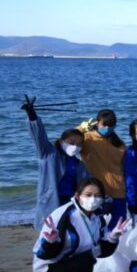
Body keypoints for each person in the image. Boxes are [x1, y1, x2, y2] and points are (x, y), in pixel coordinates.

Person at [32, 178, 129, 272]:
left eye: (97, 196)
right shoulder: (64, 215)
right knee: (85, 259)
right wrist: (51, 242)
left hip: (75, 269)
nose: (93, 199)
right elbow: (42, 254)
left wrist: (113, 237)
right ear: (78, 196)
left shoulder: (97, 218)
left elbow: (101, 252)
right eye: (88, 195)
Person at [21, 96, 90, 229]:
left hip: (71, 203)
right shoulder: (48, 154)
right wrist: (32, 116)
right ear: (60, 141)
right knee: (49, 236)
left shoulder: (79, 164)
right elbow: (39, 136)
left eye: (80, 144)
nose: (76, 146)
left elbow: (87, 182)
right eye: (72, 142)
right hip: (51, 202)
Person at [77, 109, 127, 229]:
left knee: (119, 225)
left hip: (118, 191)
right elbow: (67, 141)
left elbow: (124, 167)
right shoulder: (87, 139)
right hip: (97, 193)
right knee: (96, 225)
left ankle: (113, 245)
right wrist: (81, 128)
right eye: (104, 124)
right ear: (97, 123)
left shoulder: (119, 144)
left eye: (111, 125)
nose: (107, 128)